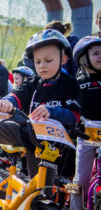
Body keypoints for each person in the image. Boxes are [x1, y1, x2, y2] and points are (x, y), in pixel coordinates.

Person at [0, 30, 81, 186]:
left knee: (42, 193)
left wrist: (52, 111)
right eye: (37, 62)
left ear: (63, 59)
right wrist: (6, 102)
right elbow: (16, 95)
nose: (42, 66)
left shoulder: (71, 83)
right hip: (28, 134)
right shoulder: (34, 82)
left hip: (55, 146)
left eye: (48, 60)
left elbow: (74, 116)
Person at [70, 36, 101, 210]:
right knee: (81, 180)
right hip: (87, 136)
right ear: (84, 58)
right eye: (96, 53)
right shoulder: (78, 83)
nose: (100, 56)